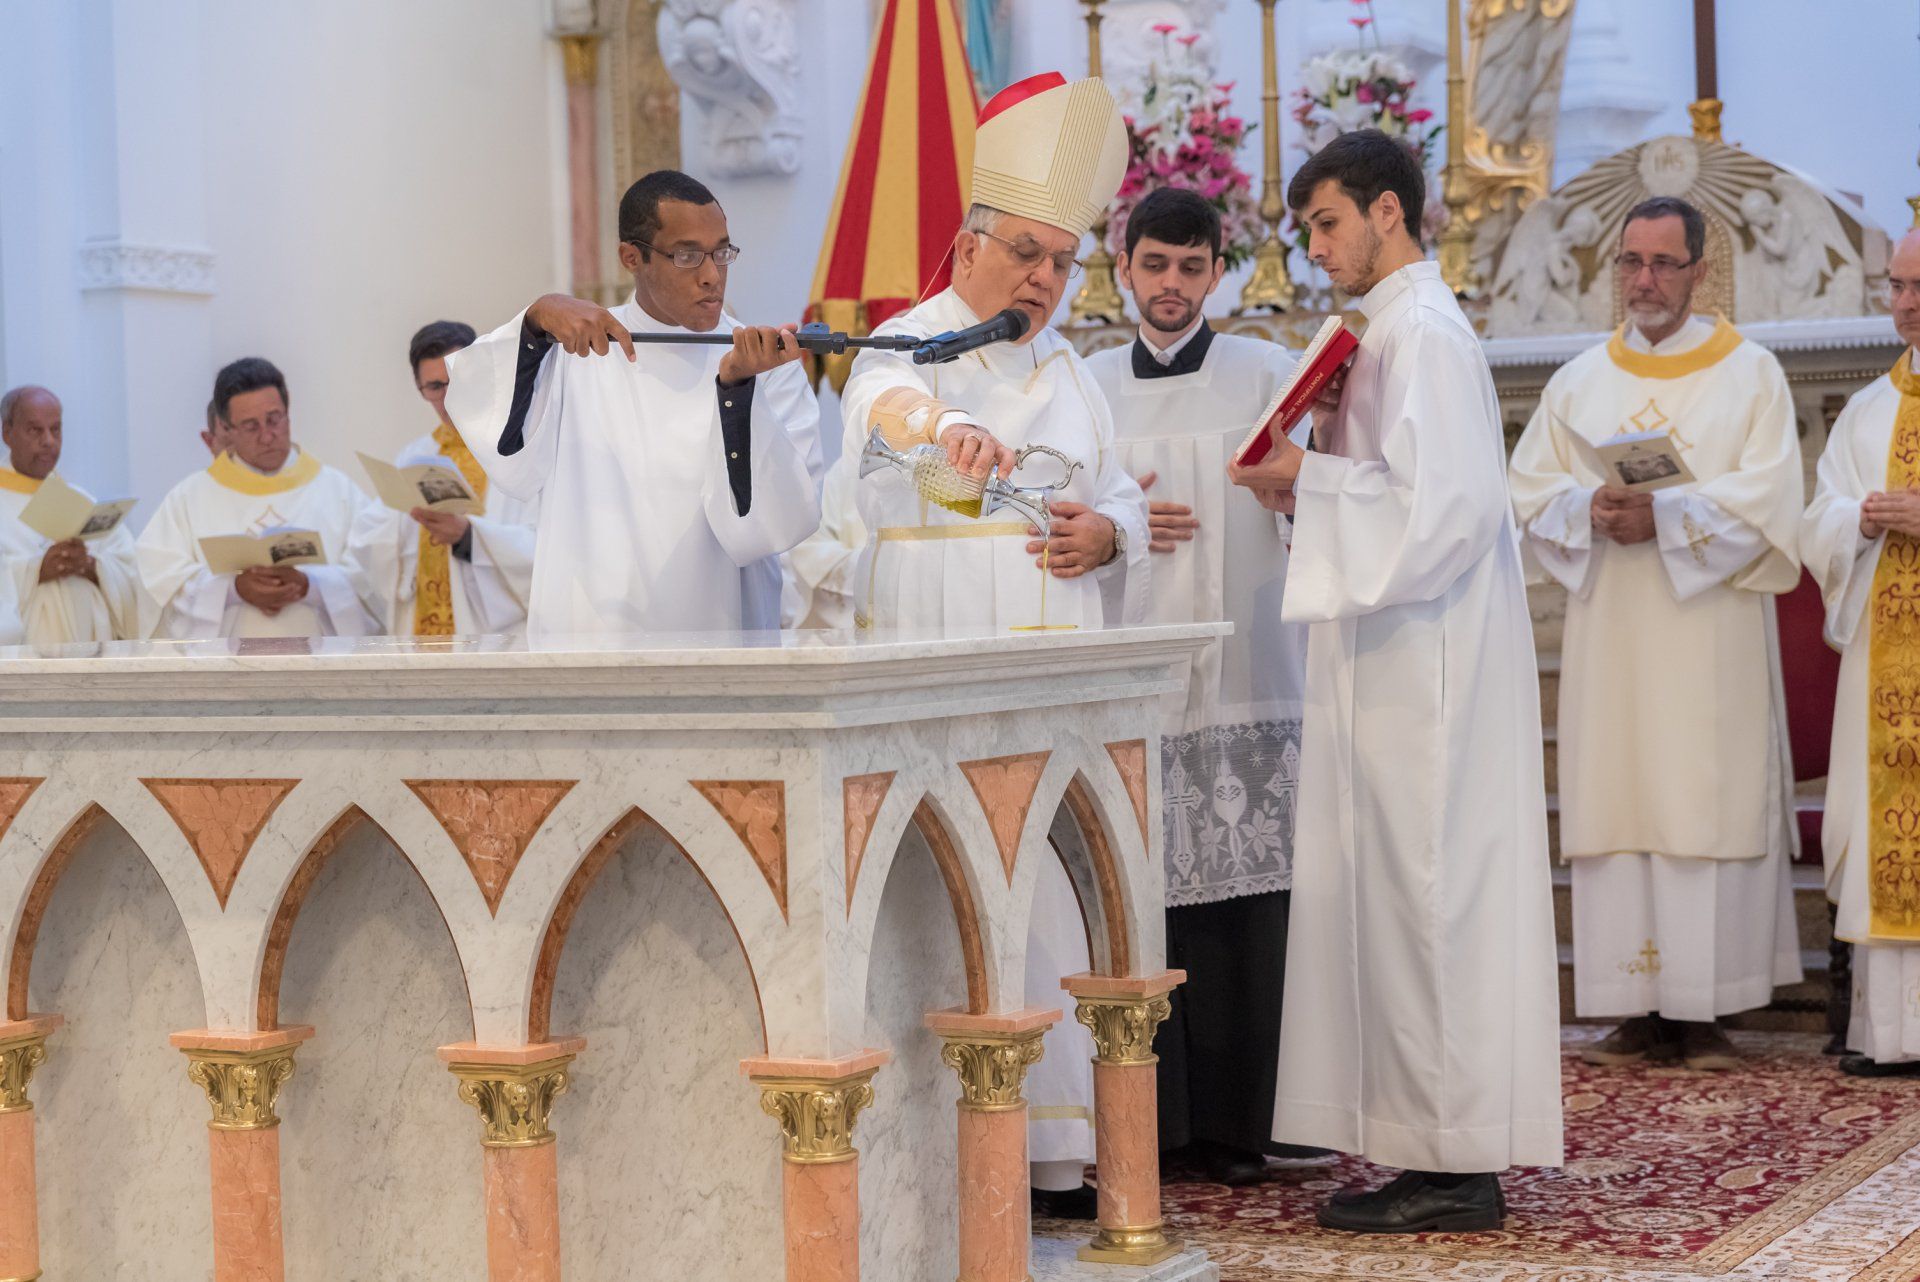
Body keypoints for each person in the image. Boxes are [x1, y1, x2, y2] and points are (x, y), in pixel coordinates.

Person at [1228, 128, 1562, 1231]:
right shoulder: (1386, 333)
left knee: (1428, 898)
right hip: (1391, 653)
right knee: (1398, 895)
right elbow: (1393, 487)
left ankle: (1455, 1165)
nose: (1317, 248)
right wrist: (1315, 464)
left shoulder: (1421, 332)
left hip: (1430, 669)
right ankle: (1426, 1145)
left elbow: (1448, 513)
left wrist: (1306, 478)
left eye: (1327, 224)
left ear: (1386, 211)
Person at [831, 71, 1147, 1217]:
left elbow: (1118, 499)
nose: (1043, 280)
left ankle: (1056, 1156)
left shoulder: (1071, 374)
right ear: (967, 242)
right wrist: (955, 429)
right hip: (942, 653)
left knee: (1051, 901)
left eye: (1061, 263)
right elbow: (891, 426)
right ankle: (939, 1152)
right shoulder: (902, 345)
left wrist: (1106, 537)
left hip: (1054, 674)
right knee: (944, 902)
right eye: (1023, 252)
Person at [1509, 195, 1804, 1071]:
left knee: (1700, 794)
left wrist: (1667, 519)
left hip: (1706, 633)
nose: (1645, 280)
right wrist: (1587, 506)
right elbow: (1525, 491)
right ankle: (1632, 1003)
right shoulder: (1580, 380)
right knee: (1621, 791)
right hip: (1617, 635)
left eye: (1663, 263)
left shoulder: (1751, 374)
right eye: (1631, 262)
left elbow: (1772, 497)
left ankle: (1704, 1007)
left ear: (1699, 271)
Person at [1084, 186, 1308, 1185]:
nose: (1172, 285)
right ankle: (1152, 1123)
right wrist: (1112, 527)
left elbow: (1325, 501)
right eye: (1154, 265)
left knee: (1247, 911)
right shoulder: (1083, 387)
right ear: (1123, 269)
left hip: (1251, 679)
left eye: (1191, 267)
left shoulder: (1272, 376)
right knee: (1140, 900)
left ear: (1218, 272)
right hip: (1130, 687)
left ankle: (1241, 1122)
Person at [444, 169, 823, 636]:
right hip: (593, 632)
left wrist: (737, 391)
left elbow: (778, 526)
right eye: (688, 255)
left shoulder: (765, 364)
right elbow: (501, 441)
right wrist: (535, 321)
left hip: (722, 638)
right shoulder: (574, 350)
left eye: (722, 252)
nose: (711, 276)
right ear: (632, 257)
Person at [1801, 227, 1920, 1078]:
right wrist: (1860, 520)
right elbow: (1817, 519)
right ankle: (1891, 1035)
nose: (1905, 302)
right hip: (1883, 659)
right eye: (1896, 285)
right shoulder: (1869, 410)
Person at [137, 358, 380, 638]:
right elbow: (159, 582)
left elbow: (375, 578)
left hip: (324, 671)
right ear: (227, 429)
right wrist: (233, 589)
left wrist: (309, 586)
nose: (267, 436)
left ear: (289, 415)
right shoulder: (189, 498)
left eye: (274, 420)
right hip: (226, 675)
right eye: (251, 426)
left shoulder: (338, 492)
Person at [350, 321, 539, 637]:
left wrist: (469, 537)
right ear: (420, 389)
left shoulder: (522, 447)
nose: (448, 398)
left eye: (456, 381)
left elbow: (549, 550)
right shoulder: (416, 455)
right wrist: (409, 525)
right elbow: (367, 544)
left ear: (480, 373)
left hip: (499, 642)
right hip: (425, 633)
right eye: (435, 387)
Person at [0, 385, 144, 645]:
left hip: (90, 647)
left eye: (55, 429)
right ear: (7, 433)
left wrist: (92, 567)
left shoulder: (82, 501)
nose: (48, 441)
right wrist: (36, 570)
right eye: (35, 430)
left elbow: (132, 573)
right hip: (24, 657)